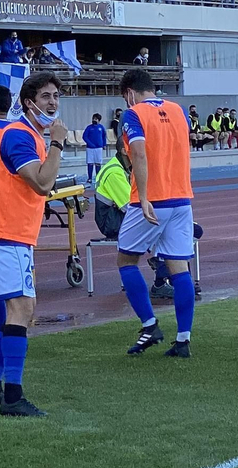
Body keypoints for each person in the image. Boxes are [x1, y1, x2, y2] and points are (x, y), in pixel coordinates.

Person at [0, 73, 66, 417]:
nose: (52, 102)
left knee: (14, 313)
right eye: (46, 96)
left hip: (4, 232)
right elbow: (41, 183)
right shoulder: (21, 136)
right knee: (22, 310)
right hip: (6, 234)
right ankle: (12, 397)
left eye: (56, 96)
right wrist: (58, 144)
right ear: (28, 102)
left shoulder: (23, 134)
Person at [117, 68, 198, 358]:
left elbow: (138, 153)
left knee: (126, 259)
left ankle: (150, 325)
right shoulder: (178, 110)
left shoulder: (134, 114)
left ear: (129, 94)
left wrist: (144, 196)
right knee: (179, 267)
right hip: (181, 199)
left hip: (152, 199)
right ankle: (183, 339)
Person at [83, 113, 108, 183]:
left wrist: (104, 144)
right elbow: (84, 137)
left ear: (99, 120)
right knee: (90, 163)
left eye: (96, 119)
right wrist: (90, 144)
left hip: (99, 148)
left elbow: (104, 136)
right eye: (93, 118)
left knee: (98, 163)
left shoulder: (101, 127)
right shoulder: (89, 127)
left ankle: (98, 177)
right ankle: (90, 178)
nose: (94, 120)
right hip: (90, 148)